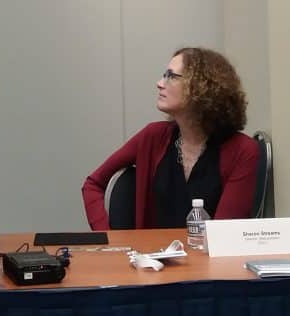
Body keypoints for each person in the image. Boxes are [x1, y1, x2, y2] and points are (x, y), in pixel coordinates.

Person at [82, 47, 258, 230]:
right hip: (151, 257)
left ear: (201, 87)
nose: (159, 83)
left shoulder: (243, 151)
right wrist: (109, 241)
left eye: (171, 76)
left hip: (210, 257)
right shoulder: (152, 137)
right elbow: (93, 184)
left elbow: (225, 236)